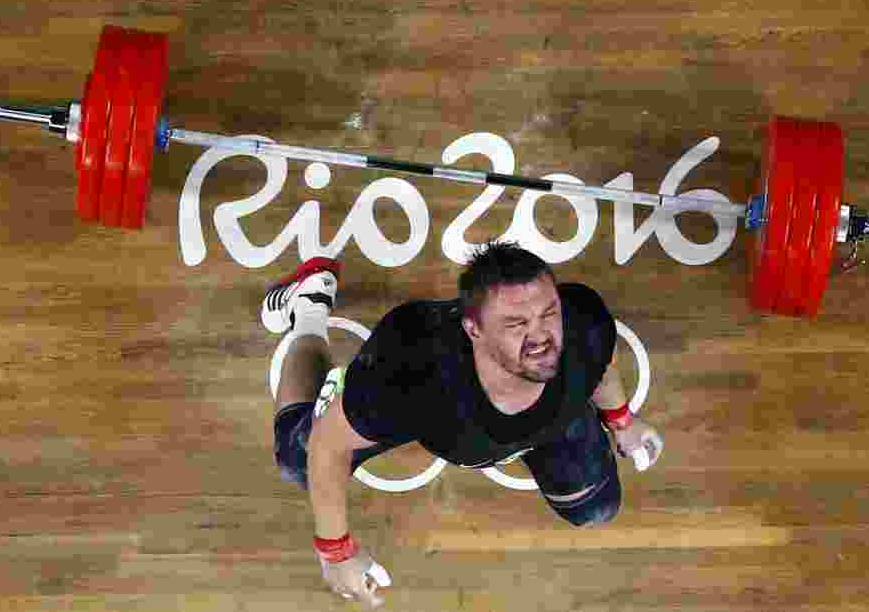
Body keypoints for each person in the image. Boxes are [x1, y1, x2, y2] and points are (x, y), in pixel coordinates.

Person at [263, 241, 664, 608]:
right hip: (423, 407)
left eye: (548, 313)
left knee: (595, 508)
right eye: (516, 324)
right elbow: (329, 445)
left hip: (544, 424)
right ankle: (310, 307)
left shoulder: (582, 321)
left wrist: (621, 419)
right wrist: (336, 551)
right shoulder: (411, 369)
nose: (541, 337)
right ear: (474, 329)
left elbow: (602, 361)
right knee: (300, 458)